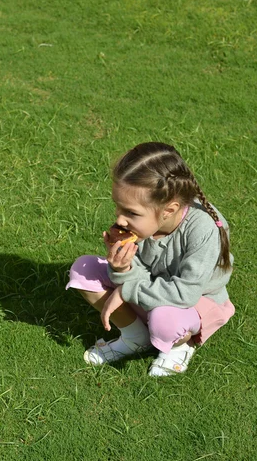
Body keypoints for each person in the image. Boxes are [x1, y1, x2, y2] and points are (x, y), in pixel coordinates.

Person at [66, 142, 235, 376]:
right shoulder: (142, 223)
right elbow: (140, 272)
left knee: (164, 319)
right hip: (151, 288)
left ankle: (179, 346)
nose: (120, 220)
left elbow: (186, 293)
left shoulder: (203, 229)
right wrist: (121, 268)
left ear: (168, 209)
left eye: (131, 213)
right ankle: (135, 337)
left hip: (193, 302)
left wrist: (127, 291)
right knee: (82, 269)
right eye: (118, 207)